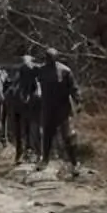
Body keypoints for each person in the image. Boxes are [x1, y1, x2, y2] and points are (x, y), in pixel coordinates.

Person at [40, 47, 82, 177]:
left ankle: (74, 163)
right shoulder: (41, 71)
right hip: (48, 107)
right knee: (47, 135)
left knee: (68, 136)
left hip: (63, 108)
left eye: (51, 59)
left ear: (56, 58)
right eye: (47, 59)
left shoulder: (65, 71)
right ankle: (44, 159)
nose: (49, 61)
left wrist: (78, 101)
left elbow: (73, 88)